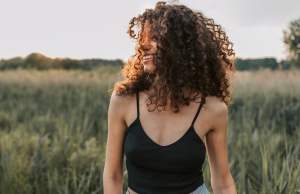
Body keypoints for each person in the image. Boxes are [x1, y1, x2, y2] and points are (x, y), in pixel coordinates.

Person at [103, 1, 237, 194]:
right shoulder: (124, 99)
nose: (145, 45)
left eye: (155, 37)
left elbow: (223, 183)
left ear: (181, 47)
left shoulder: (213, 110)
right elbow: (112, 175)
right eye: (143, 37)